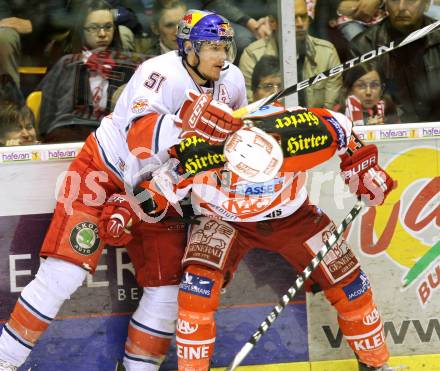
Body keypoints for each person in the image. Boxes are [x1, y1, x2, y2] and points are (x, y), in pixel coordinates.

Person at [0, 9, 246, 371]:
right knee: (61, 275)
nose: (221, 57)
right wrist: (188, 125)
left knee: (166, 292)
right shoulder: (159, 73)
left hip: (164, 191)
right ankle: (5, 361)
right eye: (211, 47)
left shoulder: (233, 82)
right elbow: (140, 136)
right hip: (103, 174)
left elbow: (231, 144)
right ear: (188, 48)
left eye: (225, 47)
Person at [145, 103, 396, 371]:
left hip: (293, 217)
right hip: (222, 220)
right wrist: (126, 211)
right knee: (197, 293)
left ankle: (375, 365)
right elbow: (152, 191)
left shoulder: (301, 129)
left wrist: (365, 171)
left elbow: (345, 130)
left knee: (351, 285)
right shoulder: (200, 148)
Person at [37, 0, 142, 143]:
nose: (102, 34)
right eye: (93, 28)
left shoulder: (128, 67)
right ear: (81, 30)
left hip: (114, 140)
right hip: (69, 139)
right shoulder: (65, 64)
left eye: (108, 27)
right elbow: (46, 119)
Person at [239, 0, 342, 107]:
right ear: (273, 23)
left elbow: (329, 110)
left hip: (315, 122)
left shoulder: (327, 53)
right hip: (270, 121)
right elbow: (251, 107)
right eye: (293, 18)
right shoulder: (253, 56)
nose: (300, 24)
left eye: (303, 17)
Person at [351, 0, 440, 123]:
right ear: (385, 4)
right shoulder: (364, 45)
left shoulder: (437, 35)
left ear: (426, 4)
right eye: (394, 0)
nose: (401, 7)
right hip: (390, 130)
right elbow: (360, 104)